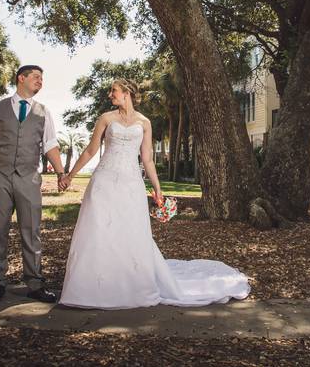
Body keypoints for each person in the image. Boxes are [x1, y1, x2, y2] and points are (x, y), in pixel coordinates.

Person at [58, 78, 251, 309]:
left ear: (127, 93)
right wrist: (70, 175)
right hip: (104, 181)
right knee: (98, 229)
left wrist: (158, 189)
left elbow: (147, 158)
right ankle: (92, 286)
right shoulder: (106, 119)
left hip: (131, 183)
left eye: (114, 91)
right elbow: (91, 150)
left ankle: (129, 283)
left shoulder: (144, 122)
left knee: (131, 231)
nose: (111, 95)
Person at [0, 65, 65, 303]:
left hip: (29, 177)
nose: (40, 81)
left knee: (32, 231)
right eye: (36, 77)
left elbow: (50, 145)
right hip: (0, 176)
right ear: (21, 78)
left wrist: (60, 173)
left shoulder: (44, 112)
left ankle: (35, 284)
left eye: (42, 78)